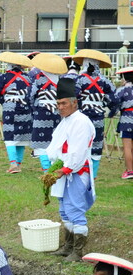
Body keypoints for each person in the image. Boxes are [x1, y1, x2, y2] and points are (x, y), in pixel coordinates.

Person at [46, 77, 96, 261]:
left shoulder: (81, 122)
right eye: (58, 103)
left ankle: (78, 251)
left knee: (75, 210)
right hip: (64, 171)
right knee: (64, 210)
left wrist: (65, 170)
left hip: (76, 171)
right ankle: (67, 246)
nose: (60, 107)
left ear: (75, 103)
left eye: (64, 103)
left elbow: (78, 151)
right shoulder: (66, 121)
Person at [0, 53, 33, 174]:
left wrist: (1, 101)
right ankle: (18, 164)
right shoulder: (29, 78)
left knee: (9, 137)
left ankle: (13, 163)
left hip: (10, 109)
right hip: (26, 108)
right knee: (22, 137)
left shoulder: (4, 77)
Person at [74, 50, 114, 177]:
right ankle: (94, 173)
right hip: (98, 117)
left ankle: (81, 170)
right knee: (96, 144)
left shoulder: (79, 79)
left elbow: (74, 96)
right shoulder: (105, 81)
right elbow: (114, 99)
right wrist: (108, 107)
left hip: (83, 116)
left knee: (81, 143)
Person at [30, 53, 65, 171]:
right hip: (58, 114)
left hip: (41, 113)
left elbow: (30, 96)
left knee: (41, 142)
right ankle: (54, 168)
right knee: (56, 140)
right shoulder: (61, 81)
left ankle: (46, 169)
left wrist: (33, 109)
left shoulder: (39, 80)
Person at [116, 66, 133, 179]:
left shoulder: (122, 89)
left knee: (127, 147)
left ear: (124, 77)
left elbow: (114, 102)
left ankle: (130, 171)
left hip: (127, 118)